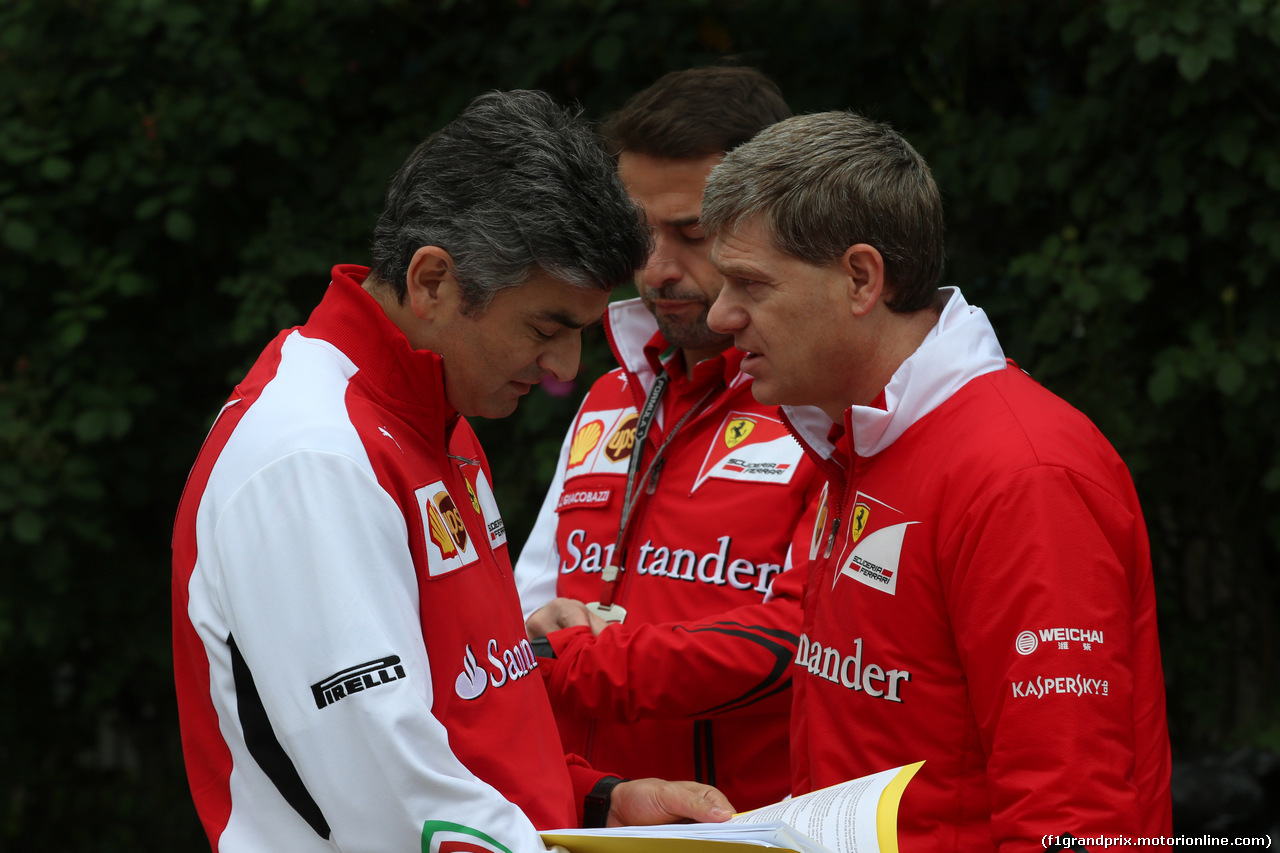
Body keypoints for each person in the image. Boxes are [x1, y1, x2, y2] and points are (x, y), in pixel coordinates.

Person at [171, 90, 733, 853]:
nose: (565, 366)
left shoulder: (438, 421)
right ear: (433, 280)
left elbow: (477, 707)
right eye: (547, 327)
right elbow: (393, 798)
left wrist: (597, 802)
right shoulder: (314, 454)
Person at [700, 111, 1173, 849]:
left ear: (861, 278)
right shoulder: (859, 438)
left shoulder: (1023, 473)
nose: (721, 314)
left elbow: (1071, 815)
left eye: (749, 284)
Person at [514, 65, 821, 811]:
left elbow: (808, 632)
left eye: (691, 234)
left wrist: (579, 657)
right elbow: (521, 613)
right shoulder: (608, 396)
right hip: (587, 813)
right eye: (638, 231)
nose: (655, 269)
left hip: (744, 825)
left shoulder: (824, 406)